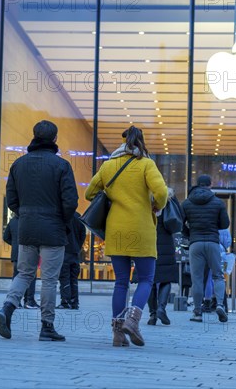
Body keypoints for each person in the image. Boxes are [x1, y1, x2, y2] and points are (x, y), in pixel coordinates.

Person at [0, 120, 79, 342]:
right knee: (50, 279)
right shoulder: (61, 166)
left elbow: (12, 200)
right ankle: (47, 326)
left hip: (27, 228)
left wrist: (26, 214)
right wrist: (62, 220)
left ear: (34, 136)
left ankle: (7, 308)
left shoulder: (19, 164)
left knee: (24, 273)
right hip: (53, 229)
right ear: (55, 139)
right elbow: (70, 201)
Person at [85, 126, 167, 347]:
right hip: (142, 230)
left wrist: (113, 195)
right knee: (146, 279)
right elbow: (161, 192)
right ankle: (133, 320)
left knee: (121, 282)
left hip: (117, 231)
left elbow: (89, 193)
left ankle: (117, 332)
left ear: (122, 143)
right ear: (142, 142)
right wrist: (155, 206)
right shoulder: (146, 164)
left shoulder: (109, 165)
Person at [182, 175, 230, 323]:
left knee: (196, 279)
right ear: (210, 184)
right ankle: (220, 304)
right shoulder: (217, 202)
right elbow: (224, 224)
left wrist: (189, 234)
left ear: (197, 184)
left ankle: (197, 312)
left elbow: (179, 223)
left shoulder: (187, 202)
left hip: (195, 243)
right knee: (217, 275)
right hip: (213, 242)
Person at [147, 188, 180, 326]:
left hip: (148, 242)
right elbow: (179, 218)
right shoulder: (169, 201)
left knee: (149, 280)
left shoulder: (146, 201)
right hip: (166, 243)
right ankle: (161, 308)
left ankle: (153, 314)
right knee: (166, 279)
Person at [3, 213, 38, 309]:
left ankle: (15, 301)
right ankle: (29, 300)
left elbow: (5, 237)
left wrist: (15, 245)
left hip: (16, 254)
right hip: (28, 252)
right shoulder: (30, 219)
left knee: (17, 277)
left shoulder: (12, 221)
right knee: (30, 276)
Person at [57, 212, 86, 310]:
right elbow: (83, 234)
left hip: (65, 251)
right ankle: (74, 302)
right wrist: (78, 247)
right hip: (75, 253)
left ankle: (65, 302)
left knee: (64, 277)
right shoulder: (79, 217)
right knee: (73, 278)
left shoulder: (63, 216)